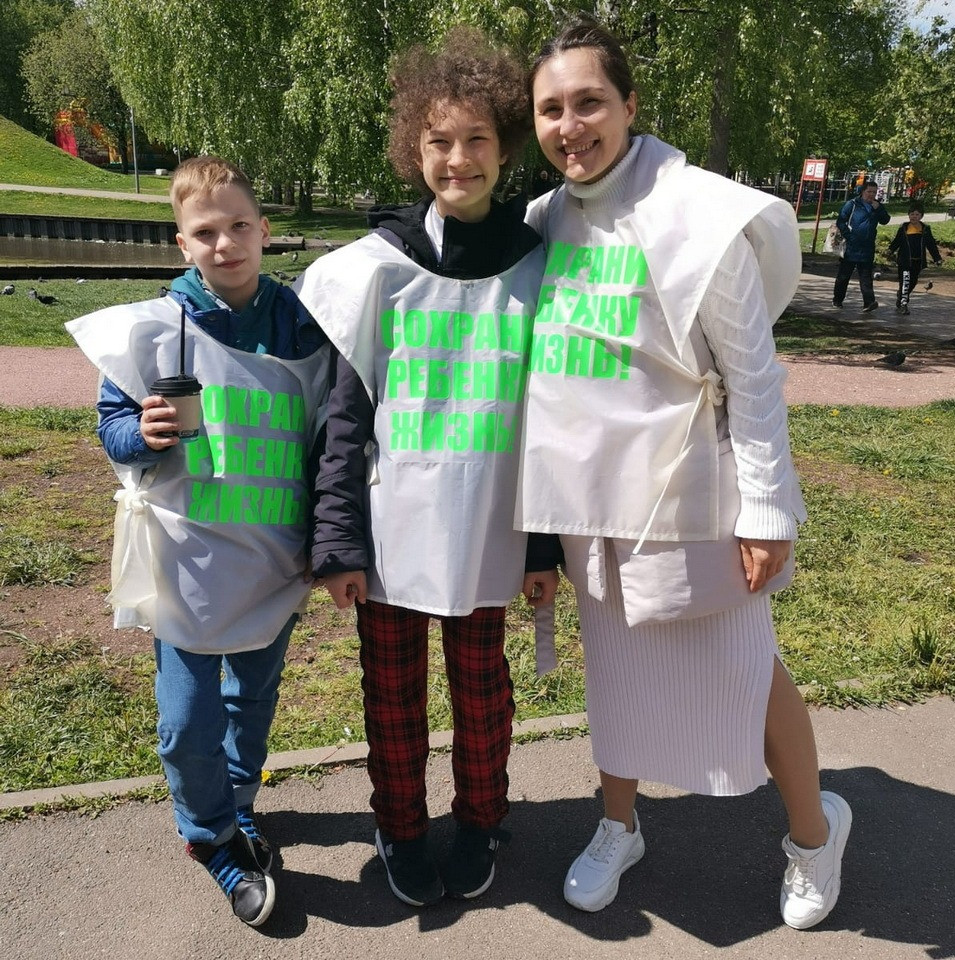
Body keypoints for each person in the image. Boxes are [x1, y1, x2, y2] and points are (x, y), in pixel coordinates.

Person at [519, 19, 852, 931]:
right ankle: (618, 826)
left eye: (590, 102)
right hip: (592, 505)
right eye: (551, 108)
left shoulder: (702, 217)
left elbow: (753, 379)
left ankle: (816, 833)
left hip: (694, 494)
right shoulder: (545, 221)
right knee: (614, 670)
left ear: (630, 104)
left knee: (747, 667)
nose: (570, 125)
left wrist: (768, 511)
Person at [295, 28, 561, 908]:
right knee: (393, 698)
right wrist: (337, 544)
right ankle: (401, 828)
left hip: (491, 531)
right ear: (415, 149)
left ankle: (481, 819)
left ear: (506, 147)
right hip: (391, 538)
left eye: (478, 138)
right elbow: (344, 420)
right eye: (440, 140)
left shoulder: (537, 269)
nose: (459, 158)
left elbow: (547, 427)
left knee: (482, 694)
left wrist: (543, 549)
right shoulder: (377, 271)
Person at [66, 156, 333, 927]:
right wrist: (141, 434)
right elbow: (113, 426)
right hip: (187, 562)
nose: (225, 244)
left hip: (274, 555)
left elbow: (333, 426)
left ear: (265, 231)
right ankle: (211, 836)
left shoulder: (300, 322)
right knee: (187, 722)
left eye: (239, 226)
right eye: (206, 232)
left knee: (252, 700)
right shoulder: (154, 329)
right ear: (181, 242)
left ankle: (238, 805)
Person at [832, 180, 890, 311]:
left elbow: (885, 220)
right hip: (851, 246)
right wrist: (849, 236)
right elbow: (841, 221)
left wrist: (879, 209)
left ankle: (869, 302)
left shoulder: (877, 206)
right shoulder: (852, 204)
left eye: (874, 192)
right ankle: (837, 300)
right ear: (863, 191)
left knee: (866, 276)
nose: (871, 195)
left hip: (867, 247)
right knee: (844, 275)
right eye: (869, 192)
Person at [888, 200, 942, 315]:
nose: (914, 216)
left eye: (917, 214)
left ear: (921, 216)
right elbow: (897, 241)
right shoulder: (904, 228)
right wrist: (890, 250)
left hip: (918, 261)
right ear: (908, 215)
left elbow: (931, 244)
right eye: (912, 214)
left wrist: (937, 258)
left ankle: (901, 296)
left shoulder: (925, 229)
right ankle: (903, 305)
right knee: (905, 282)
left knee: (912, 282)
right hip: (904, 261)